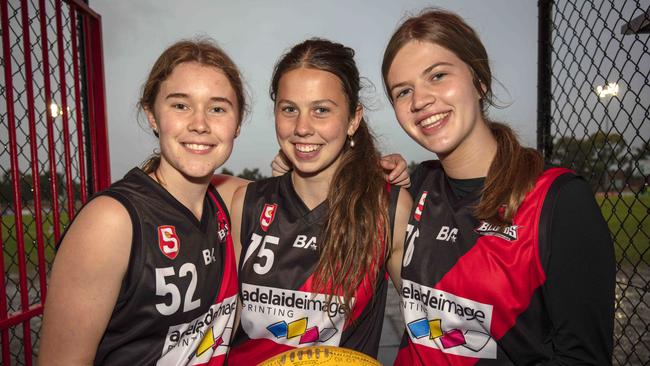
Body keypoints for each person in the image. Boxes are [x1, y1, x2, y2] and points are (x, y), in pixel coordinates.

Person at [380, 9, 615, 365]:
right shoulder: (416, 188)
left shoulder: (558, 199)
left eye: (438, 75)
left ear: (479, 80)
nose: (420, 100)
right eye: (403, 91)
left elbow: (582, 357)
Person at [38, 39, 247, 365]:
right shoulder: (112, 221)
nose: (200, 124)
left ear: (237, 123)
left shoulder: (227, 200)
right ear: (152, 115)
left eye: (217, 108)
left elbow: (305, 189)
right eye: (180, 105)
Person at [226, 38, 412, 365]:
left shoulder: (388, 209)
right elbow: (223, 325)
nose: (301, 128)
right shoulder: (249, 203)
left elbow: (439, 325)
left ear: (354, 119)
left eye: (321, 110)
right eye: (289, 109)